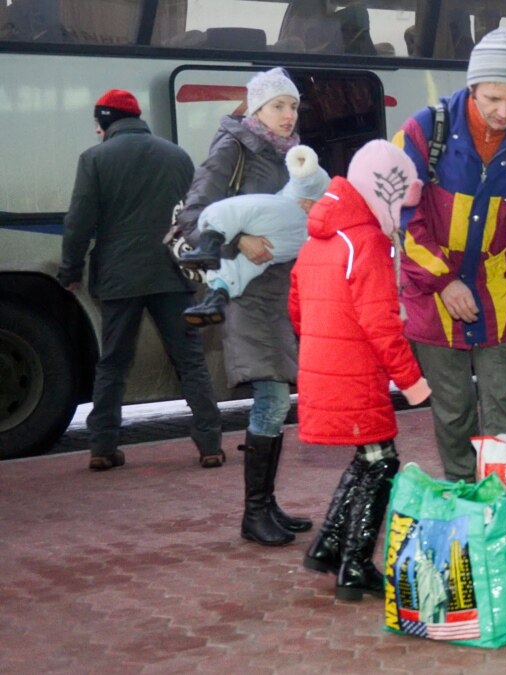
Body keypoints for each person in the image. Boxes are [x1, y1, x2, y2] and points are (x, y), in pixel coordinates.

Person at [394, 28, 506, 483]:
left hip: (497, 299)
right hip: (432, 301)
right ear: (472, 87)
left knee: (505, 409)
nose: (503, 111)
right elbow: (401, 218)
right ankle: (461, 497)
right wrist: (442, 281)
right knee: (452, 413)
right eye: (492, 98)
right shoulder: (421, 131)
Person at [290, 140, 431, 602]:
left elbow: (295, 307)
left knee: (369, 457)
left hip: (326, 366)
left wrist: (322, 348)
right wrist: (411, 381)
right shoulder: (366, 241)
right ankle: (354, 563)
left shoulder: (322, 236)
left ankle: (329, 545)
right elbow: (381, 323)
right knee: (382, 462)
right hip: (355, 371)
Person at [177, 67, 312, 546]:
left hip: (277, 292)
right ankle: (253, 513)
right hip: (244, 293)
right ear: (256, 109)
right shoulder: (232, 148)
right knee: (273, 395)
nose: (287, 114)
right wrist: (243, 240)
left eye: (292, 106)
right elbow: (195, 219)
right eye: (278, 106)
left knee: (276, 397)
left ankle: (266, 504)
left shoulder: (291, 158)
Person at [57, 89, 225, 472]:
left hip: (119, 277)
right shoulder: (177, 155)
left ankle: (102, 448)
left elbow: (79, 221)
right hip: (171, 272)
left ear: (105, 122)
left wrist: (69, 271)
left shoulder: (94, 159)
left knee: (113, 362)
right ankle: (210, 445)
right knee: (190, 361)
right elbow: (194, 214)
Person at [180, 145, 330, 326]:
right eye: (279, 113)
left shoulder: (295, 199)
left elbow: (310, 179)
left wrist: (302, 167)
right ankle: (215, 299)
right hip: (283, 248)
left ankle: (208, 249)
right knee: (240, 264)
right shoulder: (232, 148)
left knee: (232, 210)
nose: (289, 116)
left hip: (289, 226)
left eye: (292, 113)